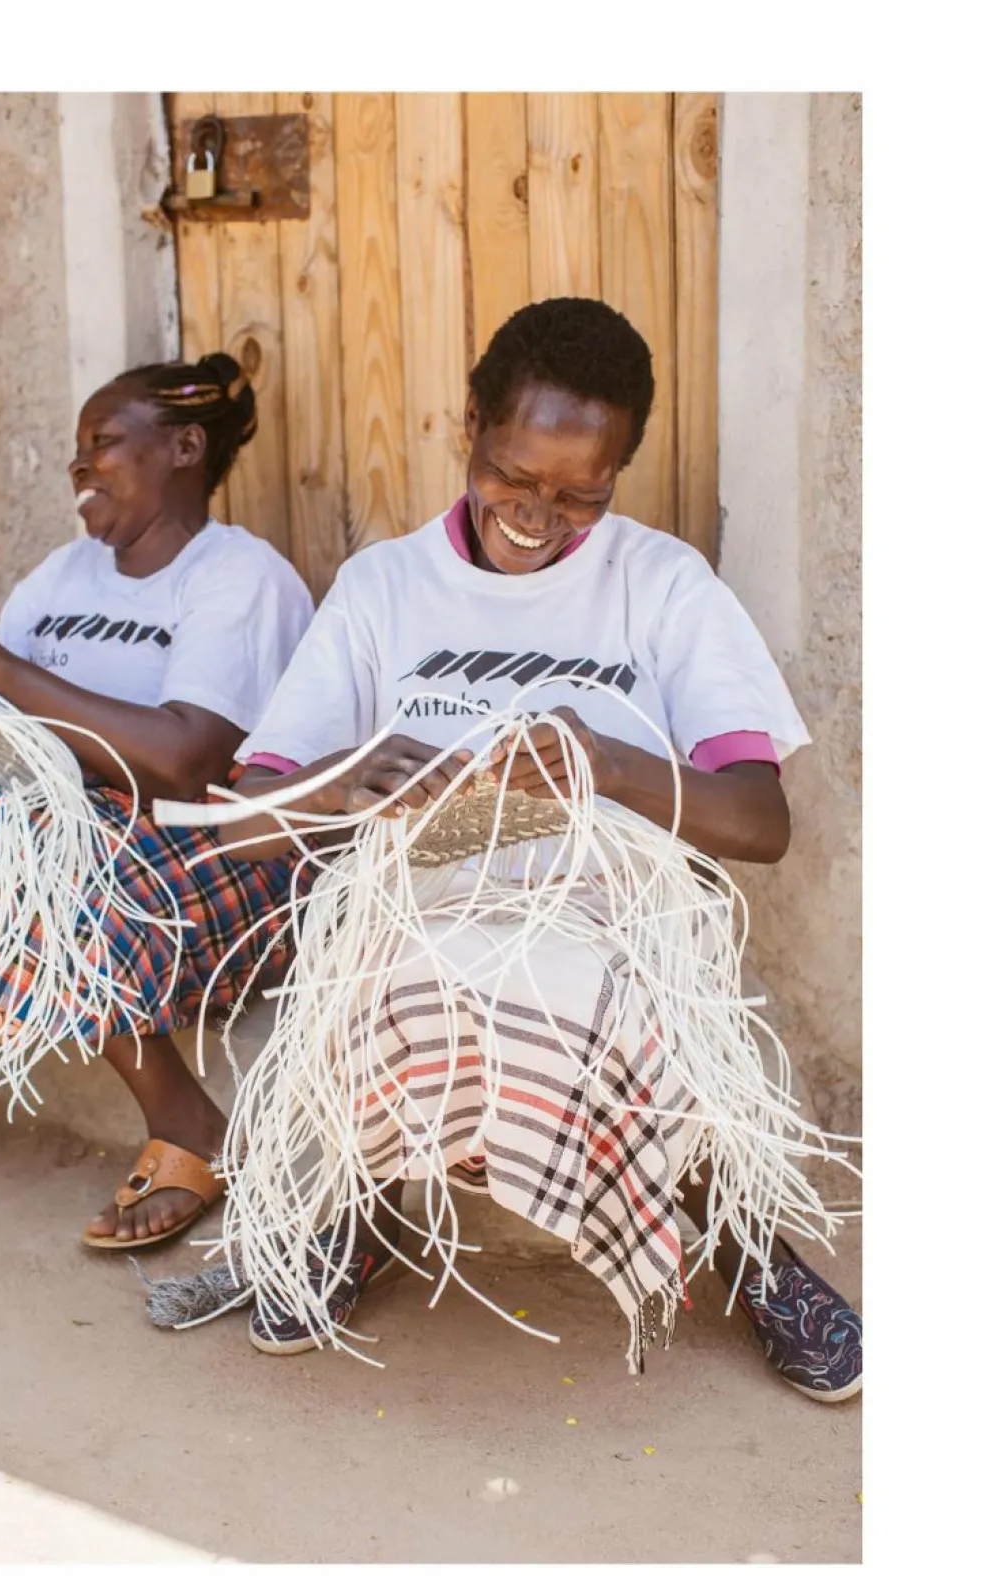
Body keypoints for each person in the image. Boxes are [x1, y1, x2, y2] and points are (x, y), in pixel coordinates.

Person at [218, 299, 862, 1401]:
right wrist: (353, 779)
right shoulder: (384, 587)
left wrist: (605, 765)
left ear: (621, 472)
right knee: (377, 965)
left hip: (609, 919)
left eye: (582, 494)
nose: (539, 514)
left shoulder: (662, 587)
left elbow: (760, 823)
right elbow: (245, 812)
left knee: (619, 986)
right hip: (422, 911)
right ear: (469, 424)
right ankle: (364, 1211)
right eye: (515, 474)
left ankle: (750, 1246)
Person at [0, 352, 315, 1252]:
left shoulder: (240, 576)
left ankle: (187, 1123)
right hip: (70, 825)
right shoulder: (63, 574)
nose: (80, 468)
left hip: (215, 845)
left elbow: (184, 761)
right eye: (76, 453)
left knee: (30, 862)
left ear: (186, 448)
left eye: (105, 444)